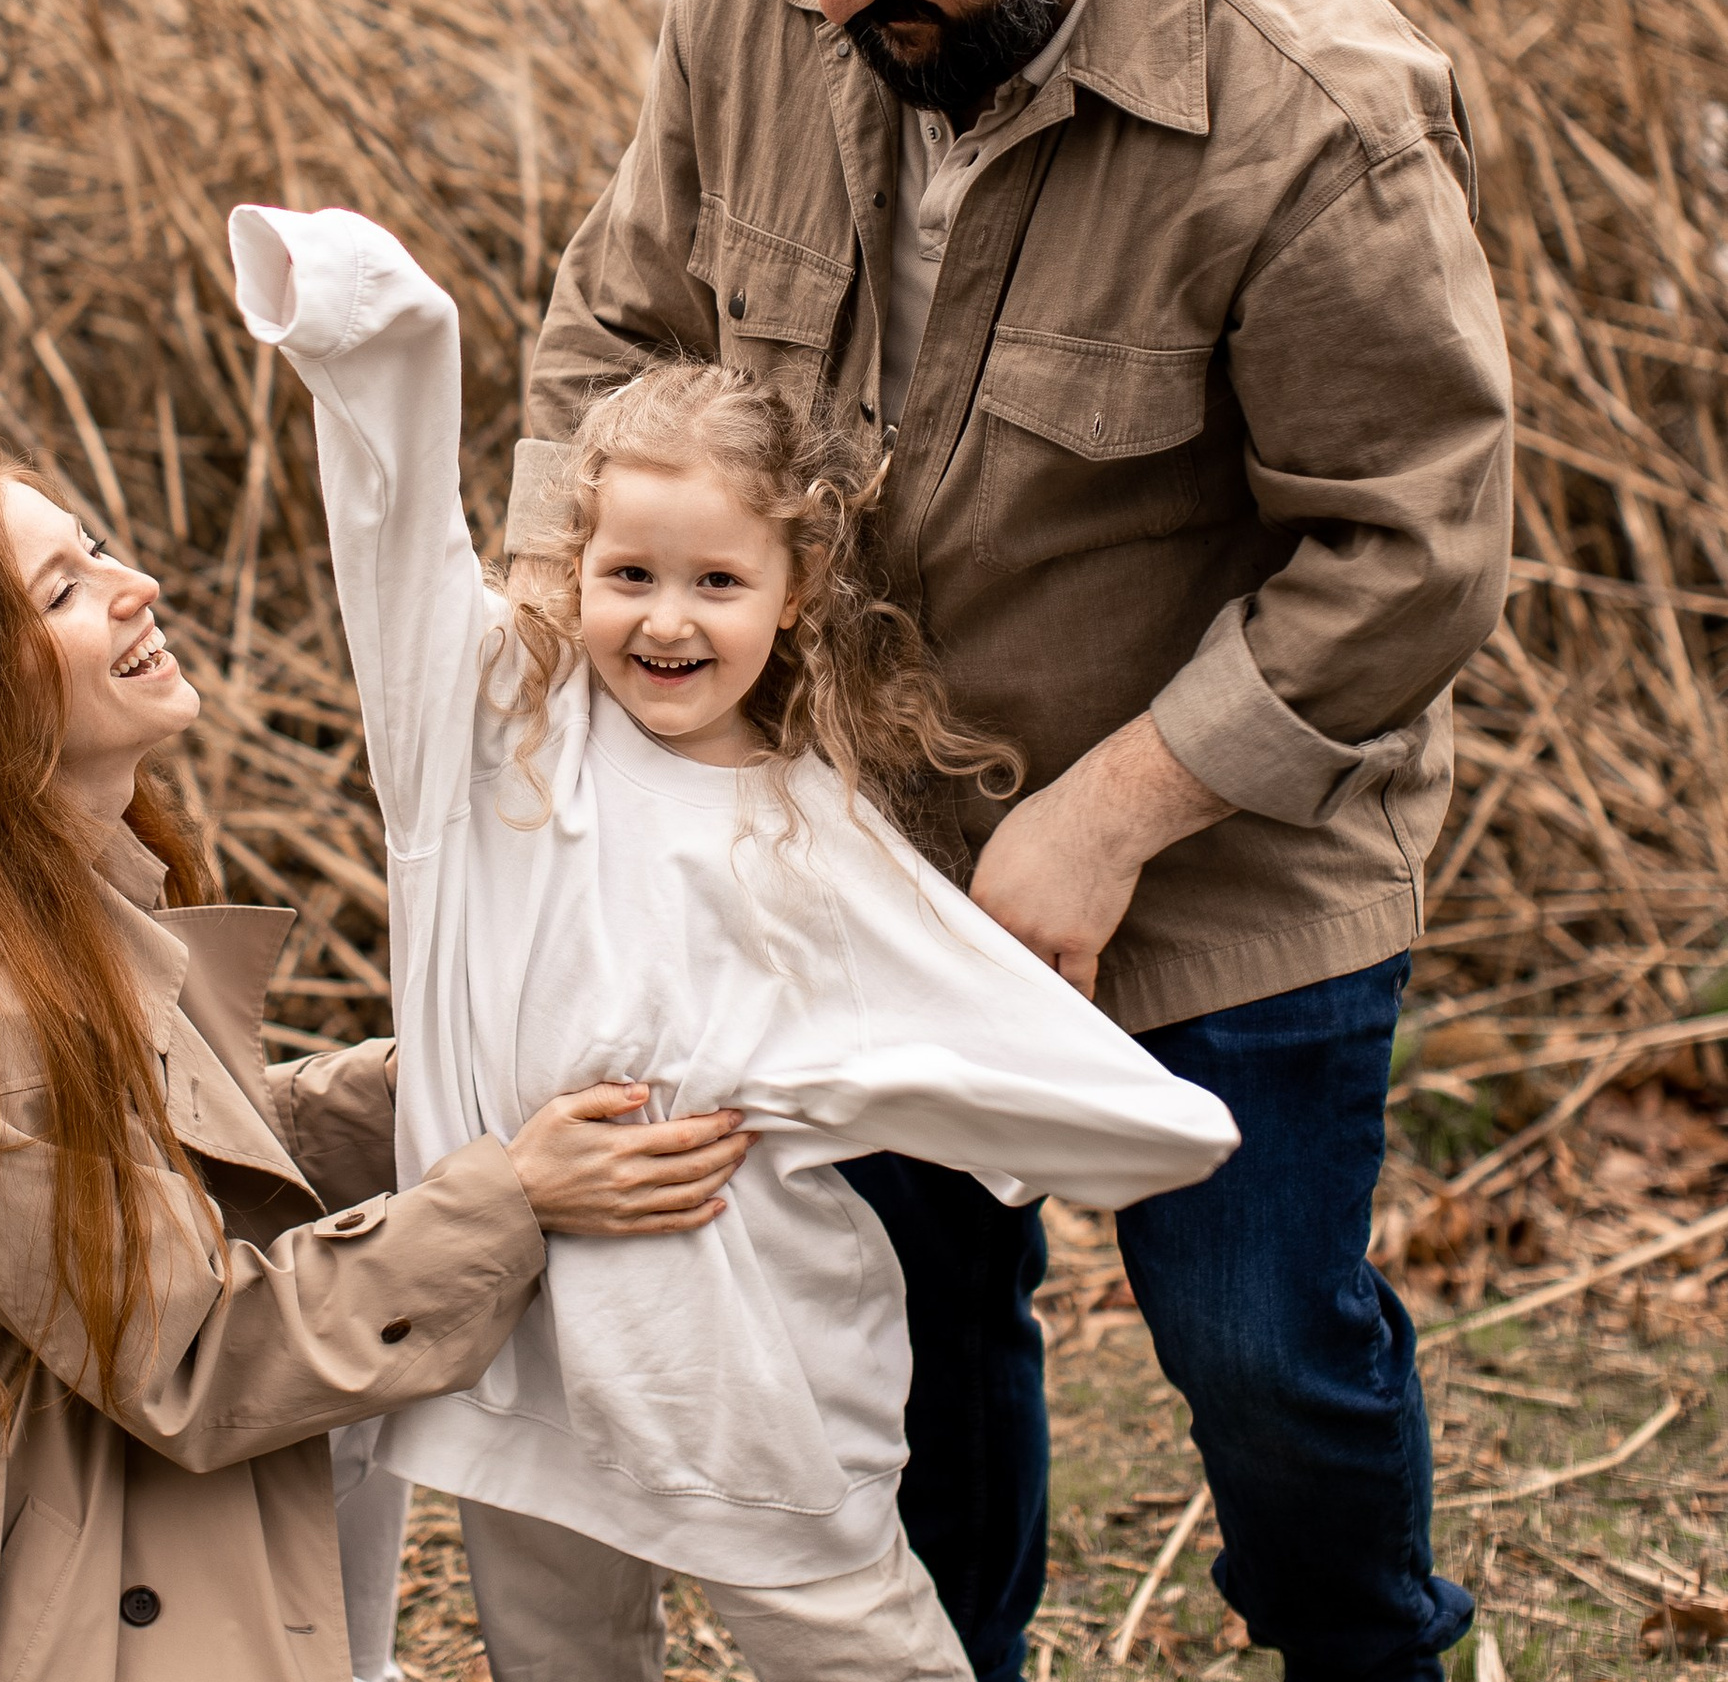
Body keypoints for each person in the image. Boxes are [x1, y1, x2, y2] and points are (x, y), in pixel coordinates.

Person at [511, 0, 1514, 1682]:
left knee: (1263, 1357)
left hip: (1230, 861)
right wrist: (548, 628)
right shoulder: (753, 0)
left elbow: (1407, 552)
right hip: (846, 843)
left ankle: (1367, 1656)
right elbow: (609, 333)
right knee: (898, 1341)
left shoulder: (1313, 104)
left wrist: (1118, 810)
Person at [230, 201, 1238, 1682]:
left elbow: (975, 1018)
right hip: (521, 1363)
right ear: (572, 570)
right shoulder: (490, 744)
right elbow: (392, 534)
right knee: (562, 1654)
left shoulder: (809, 835)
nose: (666, 619)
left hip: (734, 1372)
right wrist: (371, 323)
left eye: (716, 583)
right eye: (629, 575)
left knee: (865, 1652)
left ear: (795, 594)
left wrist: (1139, 1128)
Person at [0, 433, 753, 1682]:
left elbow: (181, 1154)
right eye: (61, 591)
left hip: (55, 1544)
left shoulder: (52, 914)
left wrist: (460, 1073)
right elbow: (202, 1358)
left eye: (91, 546)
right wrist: (512, 1199)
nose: (130, 581)